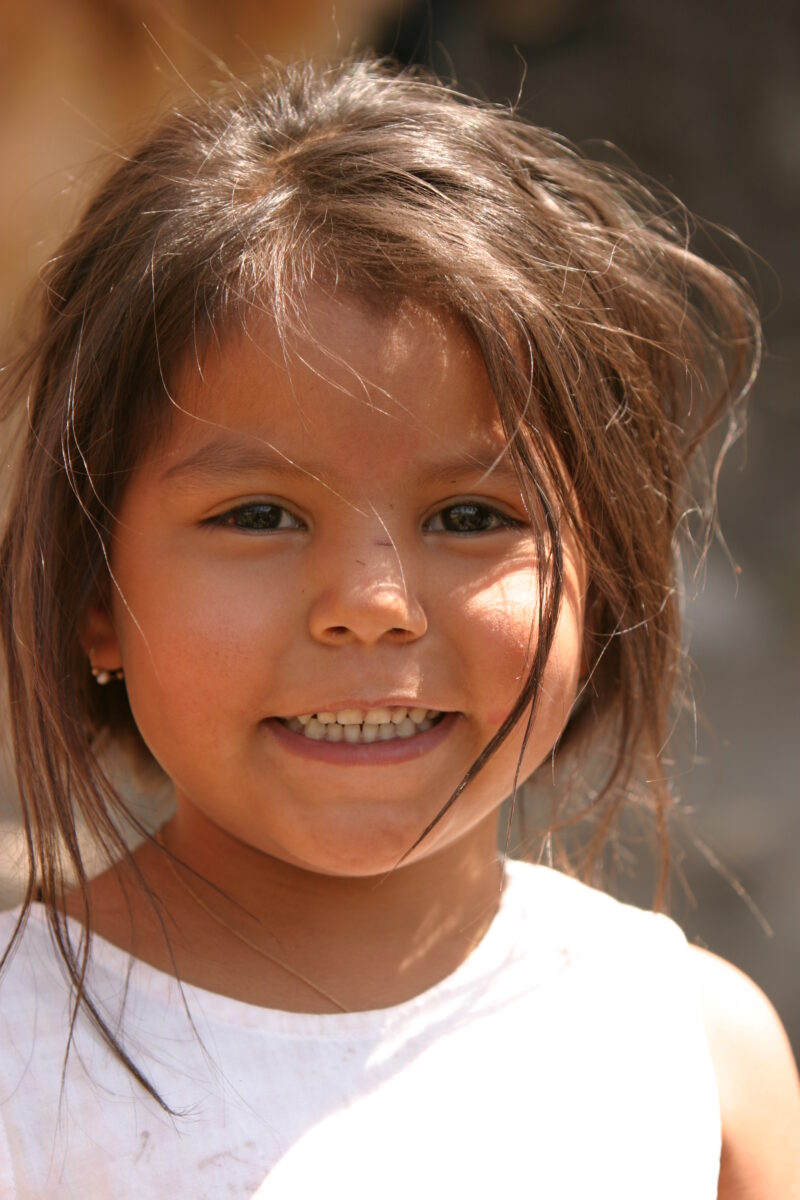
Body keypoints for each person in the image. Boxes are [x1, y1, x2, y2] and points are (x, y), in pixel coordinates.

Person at [0, 56, 797, 1199]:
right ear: (90, 596)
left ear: (604, 576)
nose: (372, 605)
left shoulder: (694, 1058)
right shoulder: (22, 1067)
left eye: (471, 516)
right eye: (258, 515)